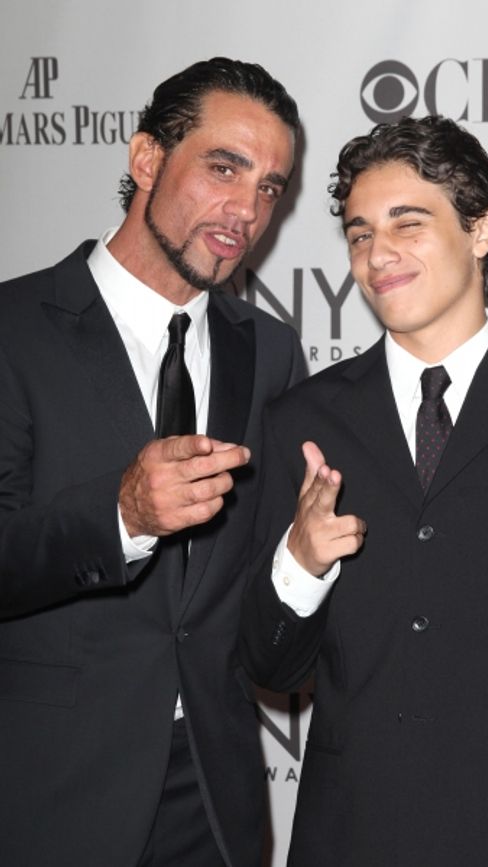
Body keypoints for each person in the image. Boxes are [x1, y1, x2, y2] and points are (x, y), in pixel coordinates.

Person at [240, 116, 488, 866]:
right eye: (360, 232)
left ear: (483, 229)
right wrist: (298, 567)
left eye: (410, 222)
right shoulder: (302, 421)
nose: (379, 254)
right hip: (349, 837)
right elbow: (269, 669)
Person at [0, 57, 306, 867]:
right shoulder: (14, 328)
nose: (246, 210)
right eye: (223, 167)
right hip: (48, 791)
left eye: (270, 187)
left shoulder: (270, 352)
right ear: (145, 159)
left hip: (213, 795)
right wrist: (121, 516)